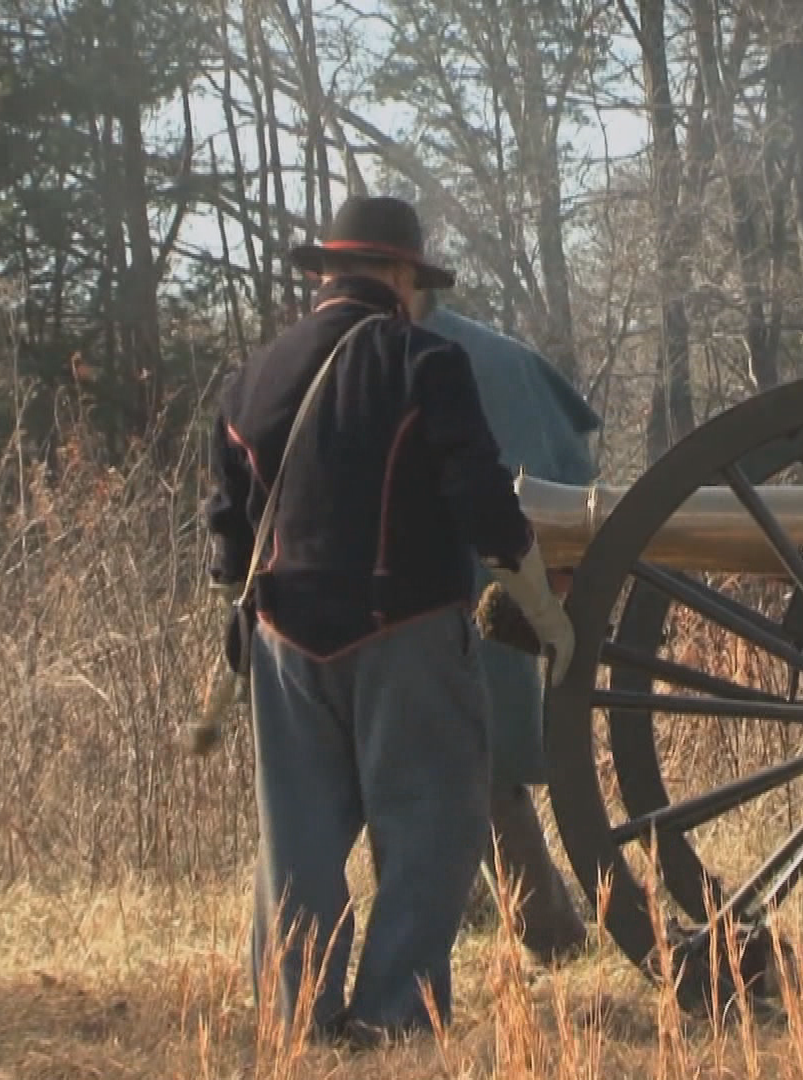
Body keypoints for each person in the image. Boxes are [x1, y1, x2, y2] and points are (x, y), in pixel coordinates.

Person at [202, 194, 575, 1046]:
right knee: (429, 835)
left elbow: (225, 526)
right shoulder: (427, 363)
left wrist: (252, 608)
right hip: (405, 628)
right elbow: (482, 499)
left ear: (328, 272)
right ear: (403, 276)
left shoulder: (250, 377)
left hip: (283, 641)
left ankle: (297, 1017)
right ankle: (394, 1018)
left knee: (297, 844)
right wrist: (542, 607)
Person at [422, 299, 597, 963]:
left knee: (474, 763)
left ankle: (547, 932)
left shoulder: (389, 358)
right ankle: (548, 931)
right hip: (512, 570)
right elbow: (576, 472)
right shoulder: (503, 358)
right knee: (485, 759)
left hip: (460, 579)